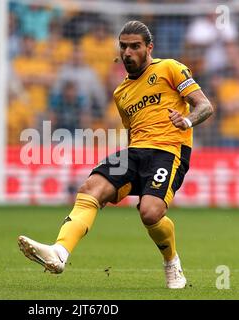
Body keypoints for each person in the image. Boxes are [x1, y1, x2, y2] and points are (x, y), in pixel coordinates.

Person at [18, 21, 214, 289]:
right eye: (123, 46)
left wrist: (188, 121)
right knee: (90, 188)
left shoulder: (170, 68)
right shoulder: (121, 93)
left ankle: (172, 262)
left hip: (169, 150)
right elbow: (132, 132)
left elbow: (205, 106)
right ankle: (60, 252)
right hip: (135, 152)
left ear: (149, 48)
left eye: (135, 46)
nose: (128, 52)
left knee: (149, 212)